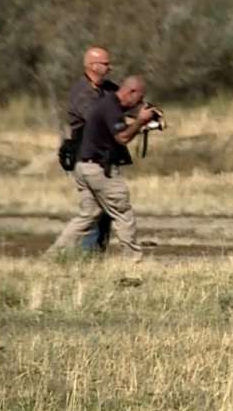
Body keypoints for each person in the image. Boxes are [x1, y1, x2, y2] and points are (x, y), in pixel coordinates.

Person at [47, 76, 157, 262]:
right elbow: (122, 137)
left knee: (87, 216)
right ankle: (134, 260)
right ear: (131, 92)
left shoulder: (108, 104)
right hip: (98, 169)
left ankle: (53, 256)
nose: (139, 102)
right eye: (139, 97)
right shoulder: (110, 107)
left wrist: (143, 122)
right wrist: (140, 121)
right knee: (123, 213)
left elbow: (119, 129)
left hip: (84, 166)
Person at [65, 46, 118, 252]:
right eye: (105, 64)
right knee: (93, 212)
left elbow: (127, 99)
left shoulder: (109, 89)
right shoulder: (81, 93)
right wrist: (130, 122)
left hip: (104, 158)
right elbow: (98, 119)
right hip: (87, 159)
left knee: (103, 212)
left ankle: (93, 256)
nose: (109, 67)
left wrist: (148, 111)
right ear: (92, 66)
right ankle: (79, 254)